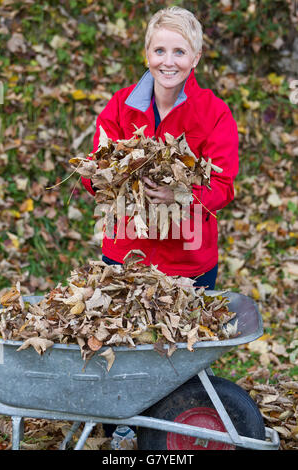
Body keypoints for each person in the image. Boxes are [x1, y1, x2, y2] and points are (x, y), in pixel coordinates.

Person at [81, 6, 239, 446]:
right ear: (146, 53)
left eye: (179, 51)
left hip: (188, 260)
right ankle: (122, 429)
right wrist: (108, 175)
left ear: (196, 57)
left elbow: (224, 184)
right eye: (159, 49)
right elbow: (96, 173)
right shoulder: (120, 106)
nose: (168, 61)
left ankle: (179, 426)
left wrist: (181, 194)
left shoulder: (212, 113)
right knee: (122, 349)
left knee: (178, 354)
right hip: (126, 256)